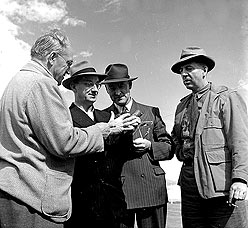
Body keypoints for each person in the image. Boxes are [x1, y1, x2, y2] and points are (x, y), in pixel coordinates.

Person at [0, 29, 140, 228]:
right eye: (68, 63)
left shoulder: (19, 81)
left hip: (18, 193)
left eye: (97, 84)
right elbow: (64, 143)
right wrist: (103, 130)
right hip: (32, 198)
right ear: (52, 57)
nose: (68, 69)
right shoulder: (41, 84)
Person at [171, 46, 248, 228]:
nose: (184, 74)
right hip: (190, 184)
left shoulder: (226, 98)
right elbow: (176, 140)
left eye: (189, 68)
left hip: (221, 185)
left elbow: (240, 141)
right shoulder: (182, 107)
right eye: (181, 71)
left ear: (205, 70)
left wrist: (240, 179)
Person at [101, 63, 174, 228]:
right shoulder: (103, 117)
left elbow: (169, 149)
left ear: (130, 85)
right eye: (112, 88)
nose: (118, 92)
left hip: (151, 190)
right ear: (106, 90)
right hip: (120, 191)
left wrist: (150, 145)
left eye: (122, 86)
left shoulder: (151, 112)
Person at [62, 61, 134, 228]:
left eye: (97, 85)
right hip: (81, 205)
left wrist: (127, 130)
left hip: (114, 203)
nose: (95, 89)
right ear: (74, 86)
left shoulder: (107, 116)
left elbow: (122, 154)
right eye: (88, 84)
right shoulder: (65, 118)